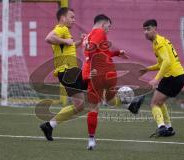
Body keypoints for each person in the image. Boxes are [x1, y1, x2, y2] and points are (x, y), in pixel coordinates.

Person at [82, 14, 131, 150]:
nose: (108, 30)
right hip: (107, 73)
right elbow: (91, 51)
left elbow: (96, 52)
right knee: (109, 100)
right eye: (108, 27)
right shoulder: (99, 32)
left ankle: (91, 140)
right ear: (103, 24)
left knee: (93, 108)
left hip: (95, 75)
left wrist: (116, 53)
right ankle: (127, 103)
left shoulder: (88, 35)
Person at [39, 7, 88, 141]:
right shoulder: (62, 28)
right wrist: (65, 41)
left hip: (66, 73)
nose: (74, 20)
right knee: (97, 82)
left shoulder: (65, 32)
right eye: (71, 17)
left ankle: (49, 125)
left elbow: (69, 46)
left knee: (79, 105)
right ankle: (128, 103)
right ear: (63, 18)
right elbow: (48, 38)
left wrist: (79, 42)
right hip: (69, 71)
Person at [141, 19, 184, 137]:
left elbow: (166, 62)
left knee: (154, 104)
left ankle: (161, 127)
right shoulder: (159, 41)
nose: (146, 32)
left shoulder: (158, 42)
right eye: (144, 30)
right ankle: (168, 128)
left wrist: (156, 79)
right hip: (177, 76)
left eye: (148, 29)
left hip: (173, 76)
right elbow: (162, 64)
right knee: (159, 102)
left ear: (155, 29)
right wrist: (147, 69)